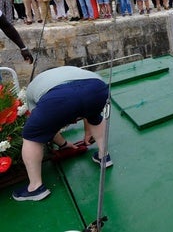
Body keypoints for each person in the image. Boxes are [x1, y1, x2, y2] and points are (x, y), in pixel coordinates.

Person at [11, 66, 111, 202]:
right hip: (97, 87)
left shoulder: (33, 89)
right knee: (95, 116)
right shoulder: (70, 70)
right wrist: (85, 132)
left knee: (31, 136)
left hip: (59, 97)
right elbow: (88, 109)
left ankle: (35, 187)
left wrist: (62, 144)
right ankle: (104, 156)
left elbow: (46, 127)